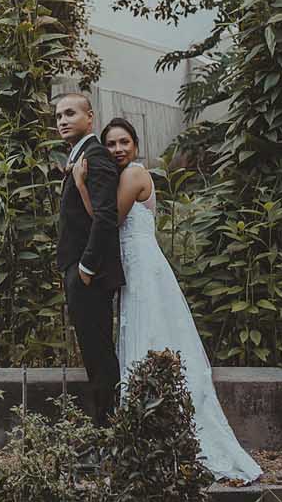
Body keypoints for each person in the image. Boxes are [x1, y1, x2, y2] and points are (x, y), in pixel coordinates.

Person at [73, 116, 263, 483]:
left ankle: (156, 431)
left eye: (124, 142)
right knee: (145, 337)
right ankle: (146, 432)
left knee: (150, 336)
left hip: (143, 270)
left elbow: (107, 220)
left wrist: (81, 184)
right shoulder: (124, 175)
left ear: (136, 145)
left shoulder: (133, 175)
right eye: (111, 144)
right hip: (136, 269)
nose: (117, 149)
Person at [52, 91, 123, 428]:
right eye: (58, 116)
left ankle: (108, 429)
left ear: (90, 117)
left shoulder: (96, 157)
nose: (62, 121)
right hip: (79, 271)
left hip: (89, 275)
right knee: (94, 355)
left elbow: (106, 217)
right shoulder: (80, 157)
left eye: (70, 113)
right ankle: (106, 428)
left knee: (99, 355)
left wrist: (86, 267)